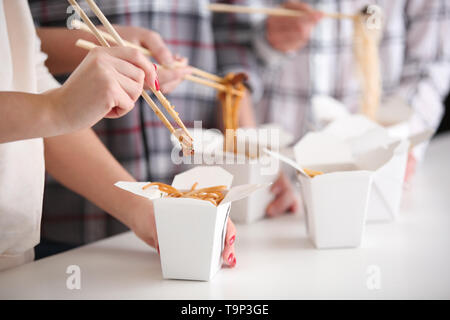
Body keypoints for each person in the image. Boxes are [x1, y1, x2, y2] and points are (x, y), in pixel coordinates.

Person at [30, 0, 297, 252]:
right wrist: (97, 47)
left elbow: (232, 57)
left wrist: (254, 163)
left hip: (193, 190)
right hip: (68, 207)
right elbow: (18, 49)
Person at [0, 0, 237, 271]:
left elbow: (30, 90)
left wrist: (146, 210)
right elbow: (47, 109)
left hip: (13, 253)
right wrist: (55, 109)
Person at [214, 0, 450, 181]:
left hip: (376, 165)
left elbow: (431, 62)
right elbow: (227, 48)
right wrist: (264, 41)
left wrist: (406, 139)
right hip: (275, 163)